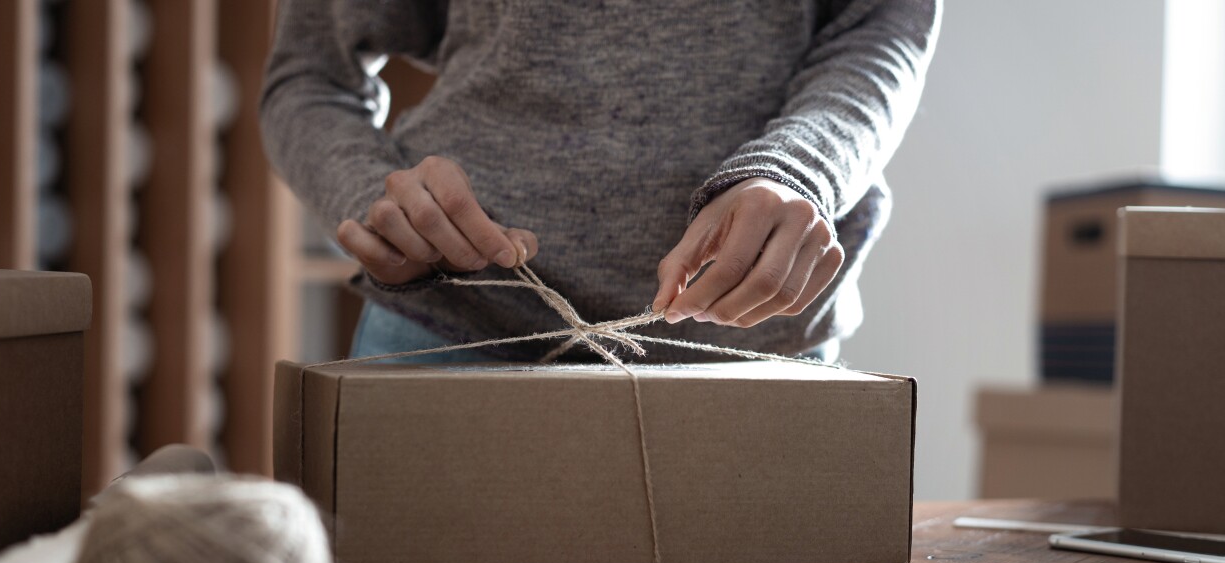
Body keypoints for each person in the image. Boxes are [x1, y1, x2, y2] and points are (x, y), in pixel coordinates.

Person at [261, 0, 941, 364]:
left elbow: (882, 27)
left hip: (753, 356)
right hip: (452, 333)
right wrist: (371, 192)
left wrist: (803, 171)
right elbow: (308, 78)